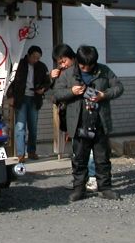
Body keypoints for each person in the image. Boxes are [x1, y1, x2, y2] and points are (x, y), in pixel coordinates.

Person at [52, 45, 123, 201]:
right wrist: (71, 91)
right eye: (83, 65)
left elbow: (119, 87)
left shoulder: (104, 71)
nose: (86, 68)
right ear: (78, 61)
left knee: (102, 159)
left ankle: (105, 188)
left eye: (89, 66)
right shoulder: (69, 73)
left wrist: (104, 95)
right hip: (78, 123)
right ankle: (79, 189)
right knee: (79, 159)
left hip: (100, 122)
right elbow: (56, 93)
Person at [5, 45, 50, 162]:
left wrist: (43, 89)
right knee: (20, 126)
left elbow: (47, 82)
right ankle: (21, 154)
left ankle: (32, 151)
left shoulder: (41, 66)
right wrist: (10, 96)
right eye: (34, 57)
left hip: (35, 98)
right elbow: (10, 81)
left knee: (33, 127)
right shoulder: (19, 65)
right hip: (21, 98)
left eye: (38, 58)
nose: (36, 60)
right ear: (28, 55)